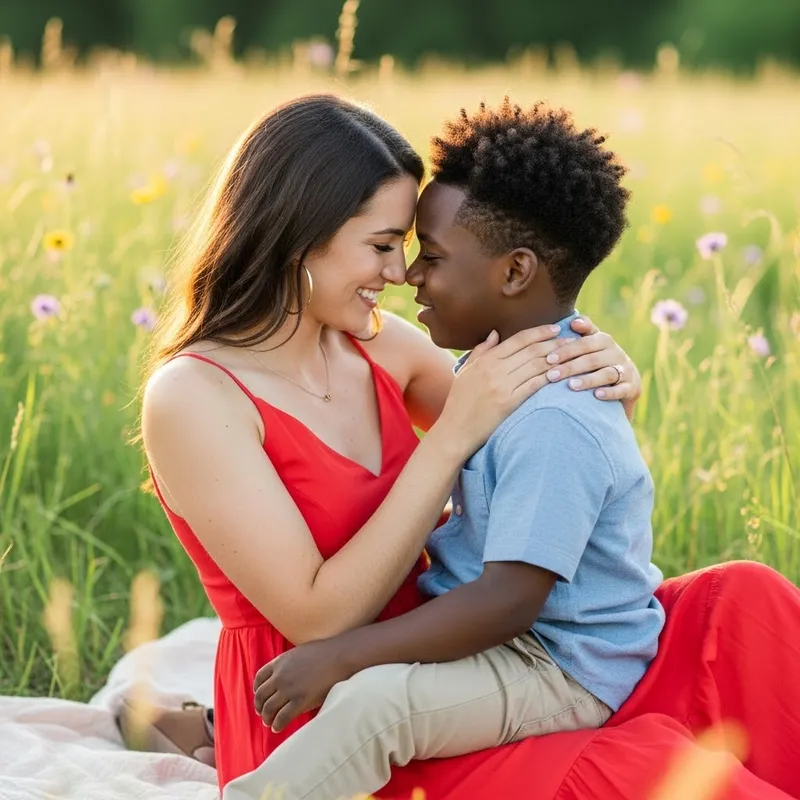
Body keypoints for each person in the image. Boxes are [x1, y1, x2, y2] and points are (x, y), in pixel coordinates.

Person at [130, 94, 643, 789]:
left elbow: (546, 447)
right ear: (294, 236)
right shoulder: (194, 396)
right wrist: (447, 440)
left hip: (447, 654)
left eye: (408, 247)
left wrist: (606, 375)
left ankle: (196, 724)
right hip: (318, 696)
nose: (400, 275)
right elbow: (319, 622)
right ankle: (214, 727)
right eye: (382, 247)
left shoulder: (379, 347)